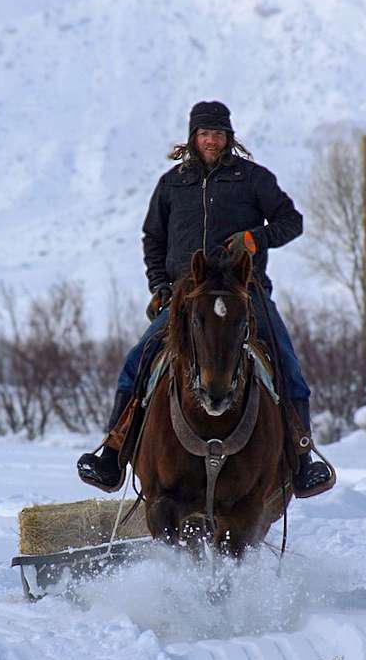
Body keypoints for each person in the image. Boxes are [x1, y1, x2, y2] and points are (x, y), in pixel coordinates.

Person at [78, 100, 330, 494]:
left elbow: (291, 222)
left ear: (229, 137)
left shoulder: (253, 179)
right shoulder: (172, 183)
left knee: (286, 364)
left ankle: (303, 460)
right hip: (186, 296)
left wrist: (255, 238)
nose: (211, 140)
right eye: (204, 133)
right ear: (192, 137)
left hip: (245, 294)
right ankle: (112, 454)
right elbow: (154, 238)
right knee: (138, 360)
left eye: (218, 133)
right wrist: (160, 286)